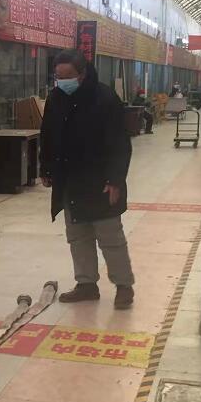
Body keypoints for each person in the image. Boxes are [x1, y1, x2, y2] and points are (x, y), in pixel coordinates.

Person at [40, 49, 135, 309]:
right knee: (77, 236)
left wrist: (115, 180)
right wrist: (46, 167)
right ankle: (86, 284)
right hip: (70, 181)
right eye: (58, 77)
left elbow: (120, 144)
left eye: (67, 76)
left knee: (110, 237)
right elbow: (47, 134)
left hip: (100, 181)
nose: (62, 81)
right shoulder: (56, 98)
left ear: (82, 74)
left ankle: (124, 286)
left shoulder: (105, 98)